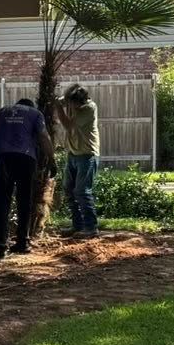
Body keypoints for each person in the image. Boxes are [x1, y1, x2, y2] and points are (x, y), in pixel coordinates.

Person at [0, 95, 49, 255]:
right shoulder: (35, 113)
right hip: (26, 159)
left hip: (3, 158)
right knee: (24, 200)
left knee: (2, 202)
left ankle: (0, 245)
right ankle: (22, 243)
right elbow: (44, 137)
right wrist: (51, 159)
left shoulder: (2, 112)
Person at [59, 83, 101, 236]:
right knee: (69, 190)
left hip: (87, 154)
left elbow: (67, 125)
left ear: (81, 101)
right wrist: (56, 101)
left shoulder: (89, 109)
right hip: (73, 154)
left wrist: (58, 107)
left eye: (73, 103)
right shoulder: (71, 99)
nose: (71, 106)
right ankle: (78, 226)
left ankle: (91, 228)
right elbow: (60, 101)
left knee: (82, 191)